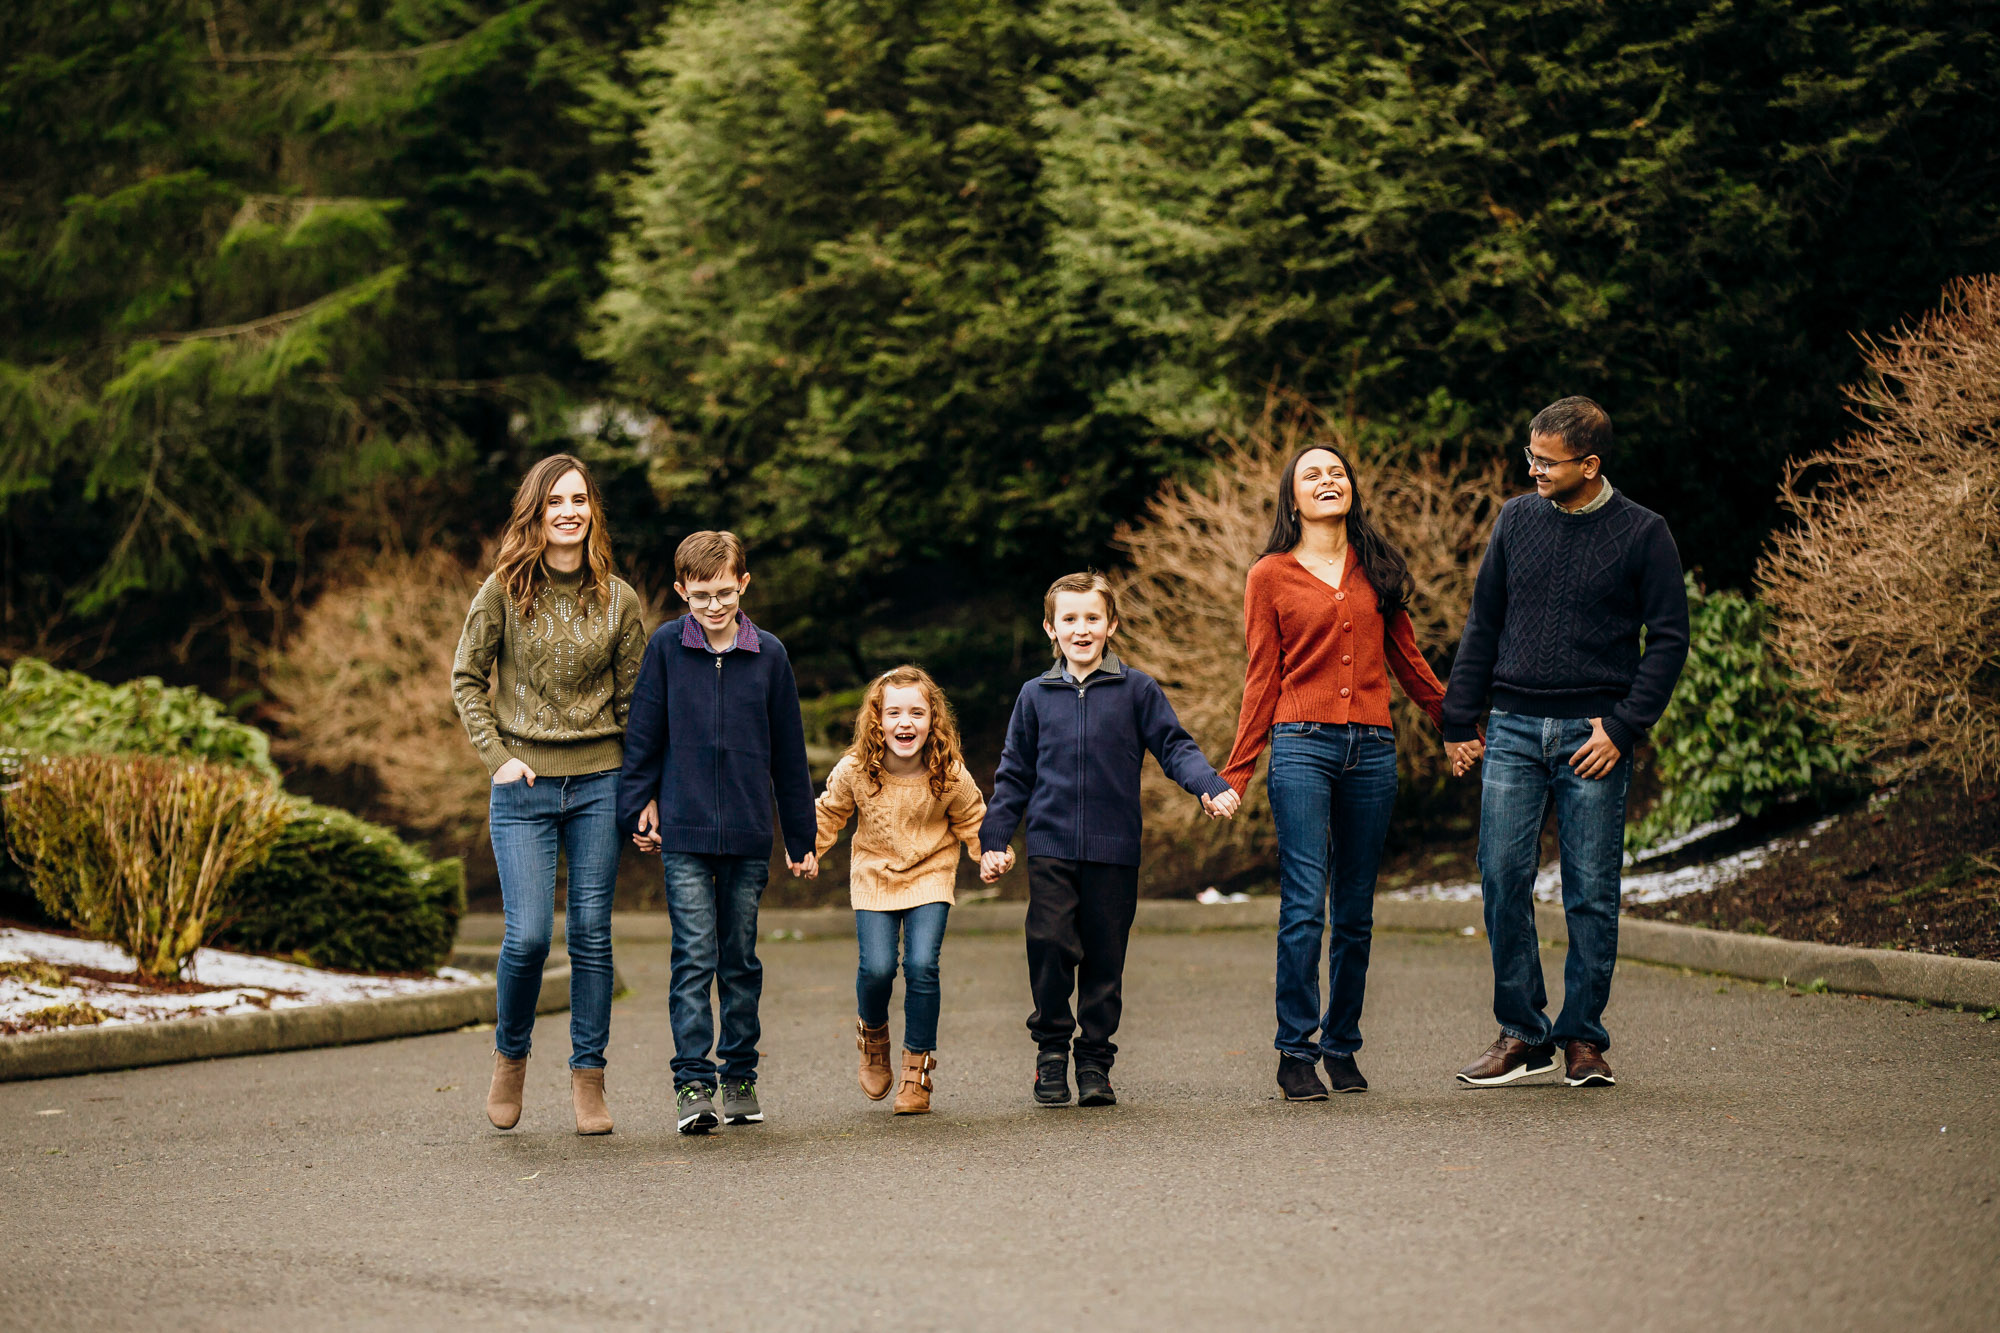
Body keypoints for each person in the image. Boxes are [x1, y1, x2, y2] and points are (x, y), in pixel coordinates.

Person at [1442, 396, 1690, 1090]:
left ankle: (1582, 1036)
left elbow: (1668, 639)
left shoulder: (1644, 533)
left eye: (1546, 461)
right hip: (1515, 726)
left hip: (1594, 733)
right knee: (1500, 875)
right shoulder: (1516, 521)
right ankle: (1523, 1031)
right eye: (1531, 456)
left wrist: (1623, 725)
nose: (1533, 470)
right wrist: (1459, 718)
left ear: (1590, 463)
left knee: (1590, 892)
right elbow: (1483, 621)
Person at [1220, 442, 1448, 1102]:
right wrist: (1236, 773)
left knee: (1354, 910)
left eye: (1338, 471)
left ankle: (1341, 1045)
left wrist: (1457, 725)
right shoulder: (1269, 575)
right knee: (1303, 902)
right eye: (1312, 474)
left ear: (1352, 489)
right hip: (1301, 746)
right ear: (1292, 497)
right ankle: (1295, 1051)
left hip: (1373, 750)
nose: (1328, 480)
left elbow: (1409, 660)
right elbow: (1262, 677)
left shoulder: (1375, 567)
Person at [979, 571, 1240, 1109]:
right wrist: (995, 839)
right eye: (1069, 620)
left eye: (1092, 618)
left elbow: (1174, 746)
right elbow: (1013, 775)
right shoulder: (1035, 696)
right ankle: (1051, 1052)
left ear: (1111, 625)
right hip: (1050, 846)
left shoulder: (1137, 690)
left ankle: (1095, 1059)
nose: (1081, 630)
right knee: (1049, 943)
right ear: (1050, 629)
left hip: (1114, 850)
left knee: (1104, 958)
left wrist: (1208, 785)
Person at [452, 453, 647, 1136]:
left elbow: (636, 705)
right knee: (529, 935)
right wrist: (497, 758)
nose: (568, 511)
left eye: (579, 499)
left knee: (593, 935)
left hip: (599, 783)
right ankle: (511, 1057)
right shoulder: (504, 589)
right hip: (523, 787)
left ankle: (588, 1078)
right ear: (534, 513)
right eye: (554, 501)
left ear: (592, 510)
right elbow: (467, 677)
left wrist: (642, 790)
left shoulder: (618, 598)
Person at [618, 530, 818, 1134]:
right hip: (683, 830)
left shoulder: (771, 656)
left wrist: (801, 837)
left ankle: (739, 1074)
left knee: (738, 960)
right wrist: (637, 808)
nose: (713, 605)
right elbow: (644, 736)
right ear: (681, 591)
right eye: (700, 594)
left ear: (744, 585)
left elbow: (790, 752)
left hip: (749, 834)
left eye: (725, 592)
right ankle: (693, 1084)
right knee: (694, 955)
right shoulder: (665, 650)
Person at [815, 666, 1010, 1115]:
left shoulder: (948, 772)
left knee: (922, 965)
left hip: (931, 874)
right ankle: (874, 1036)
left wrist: (991, 854)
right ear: (877, 720)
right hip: (874, 874)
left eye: (917, 712)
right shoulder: (857, 770)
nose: (906, 722)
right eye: (895, 712)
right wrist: (809, 850)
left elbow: (974, 820)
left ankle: (916, 1072)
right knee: (878, 969)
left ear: (933, 720)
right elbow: (830, 813)